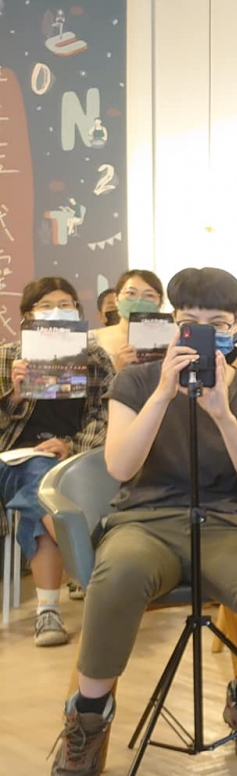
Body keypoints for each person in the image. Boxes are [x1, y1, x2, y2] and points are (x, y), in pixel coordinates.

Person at [51, 267, 237, 776]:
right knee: (117, 578)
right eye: (190, 321)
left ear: (236, 326)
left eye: (217, 323)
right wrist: (163, 395)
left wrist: (223, 414)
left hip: (224, 526)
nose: (203, 332)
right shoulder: (136, 381)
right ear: (174, 324)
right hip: (143, 521)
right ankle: (89, 716)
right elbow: (120, 467)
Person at [0, 277, 115, 647]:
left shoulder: (95, 358)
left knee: (42, 495)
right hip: (15, 458)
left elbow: (104, 416)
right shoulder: (6, 357)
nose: (57, 312)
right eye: (46, 306)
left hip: (74, 459)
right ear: (27, 316)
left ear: (78, 313)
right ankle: (92, 570)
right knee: (40, 479)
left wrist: (71, 446)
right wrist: (15, 397)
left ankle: (48, 610)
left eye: (66, 305)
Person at [93, 269, 166, 373]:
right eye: (131, 293)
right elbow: (74, 382)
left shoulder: (172, 342)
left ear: (159, 302)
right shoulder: (88, 341)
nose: (139, 301)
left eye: (149, 295)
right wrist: (118, 372)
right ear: (116, 299)